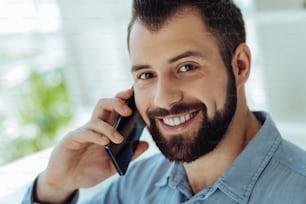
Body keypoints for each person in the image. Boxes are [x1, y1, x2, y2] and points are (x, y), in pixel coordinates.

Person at [22, 0, 306, 203]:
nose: (164, 98)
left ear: (240, 66)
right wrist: (54, 187)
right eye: (146, 74)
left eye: (186, 67)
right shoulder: (135, 186)